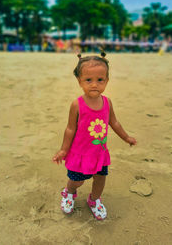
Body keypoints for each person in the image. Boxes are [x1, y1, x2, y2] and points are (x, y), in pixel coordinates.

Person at [52, 52, 137, 220]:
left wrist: (126, 137)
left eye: (100, 80)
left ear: (106, 81)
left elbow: (114, 122)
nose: (94, 85)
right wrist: (63, 150)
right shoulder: (77, 104)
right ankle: (69, 192)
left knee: (100, 179)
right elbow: (70, 129)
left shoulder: (107, 102)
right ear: (79, 81)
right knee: (77, 180)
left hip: (99, 152)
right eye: (88, 80)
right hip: (80, 153)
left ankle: (95, 199)